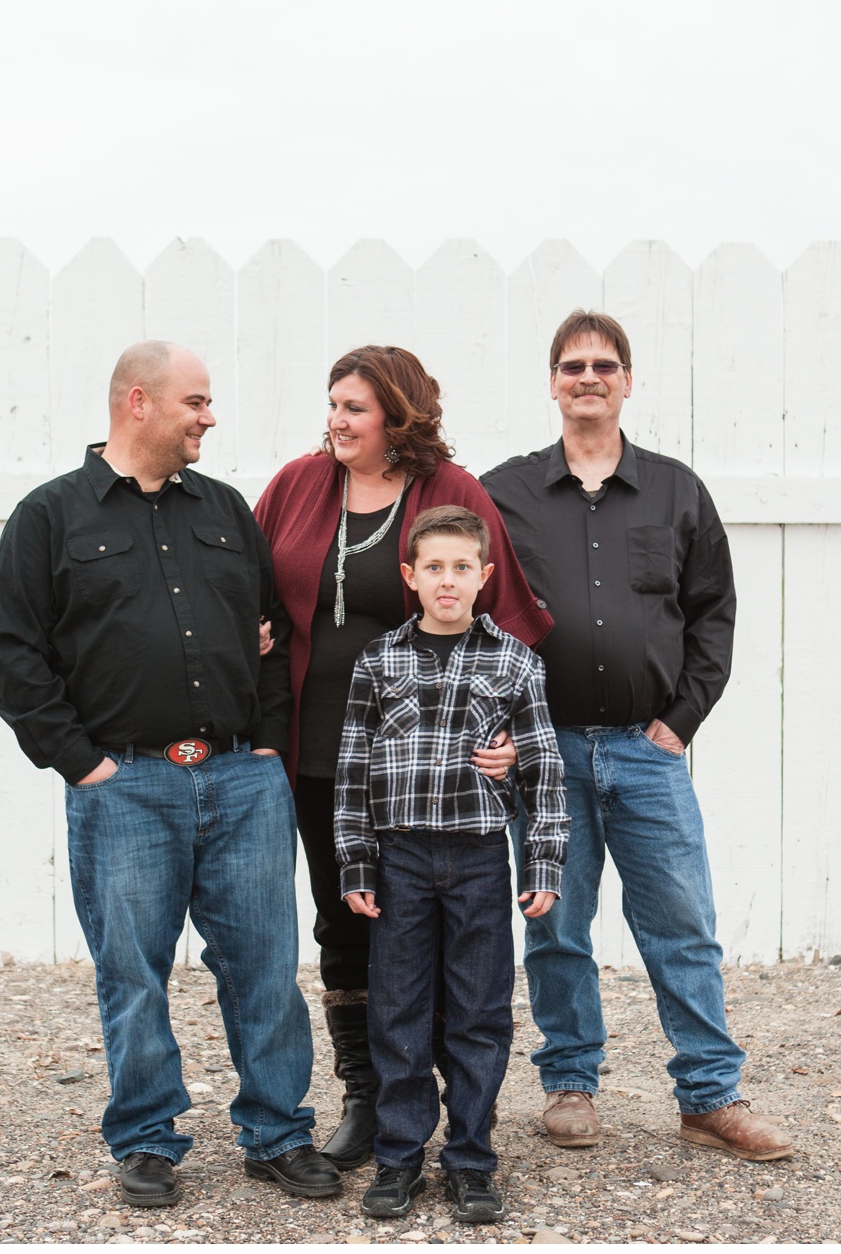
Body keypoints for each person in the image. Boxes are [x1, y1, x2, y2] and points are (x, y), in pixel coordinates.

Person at [0, 340, 341, 1208]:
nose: (209, 418)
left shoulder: (223, 510)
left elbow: (267, 632)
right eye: (197, 402)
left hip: (240, 780)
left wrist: (263, 741)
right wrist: (83, 763)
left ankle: (278, 1132)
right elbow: (13, 653)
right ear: (137, 402)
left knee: (264, 965)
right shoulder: (51, 518)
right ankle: (146, 1138)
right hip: (127, 787)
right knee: (133, 971)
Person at [480, 311, 794, 1162]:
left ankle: (709, 1095)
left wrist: (677, 724)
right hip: (544, 757)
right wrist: (499, 724)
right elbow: (462, 613)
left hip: (646, 753)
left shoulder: (676, 491)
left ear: (626, 382)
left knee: (682, 924)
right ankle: (570, 1083)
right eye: (572, 365)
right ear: (551, 382)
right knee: (556, 925)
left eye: (604, 365)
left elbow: (712, 617)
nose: (589, 377)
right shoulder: (501, 493)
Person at [252, 346, 551, 1170]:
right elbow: (249, 581)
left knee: (445, 940)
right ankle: (370, 1096)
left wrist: (511, 737)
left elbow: (510, 616)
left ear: (398, 416)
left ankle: (462, 1113)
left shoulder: (450, 492)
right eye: (332, 404)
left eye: (354, 408)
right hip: (323, 753)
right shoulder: (296, 485)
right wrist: (251, 628)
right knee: (348, 920)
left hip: (433, 767)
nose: (335, 420)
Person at [332, 505, 568, 1223]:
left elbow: (545, 773)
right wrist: (356, 863)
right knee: (398, 1011)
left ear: (484, 577)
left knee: (479, 1013)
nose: (447, 580)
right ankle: (400, 1159)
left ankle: (470, 1160)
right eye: (433, 567)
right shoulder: (379, 661)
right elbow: (351, 769)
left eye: (462, 567)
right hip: (400, 858)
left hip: (475, 859)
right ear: (410, 575)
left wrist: (544, 864)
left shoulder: (516, 663)